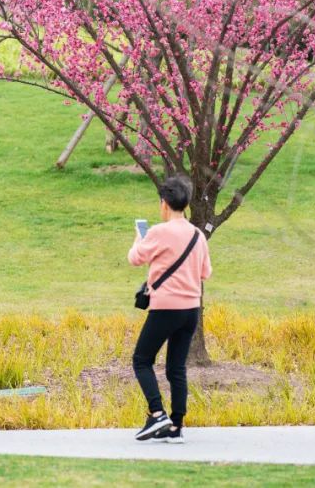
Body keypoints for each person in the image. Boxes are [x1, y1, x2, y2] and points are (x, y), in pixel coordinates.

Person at [128, 175, 211, 443]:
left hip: (165, 307)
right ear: (185, 205)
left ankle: (157, 413)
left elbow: (135, 258)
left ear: (164, 203)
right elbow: (205, 273)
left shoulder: (158, 232)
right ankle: (176, 427)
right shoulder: (198, 235)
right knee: (176, 368)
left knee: (141, 360)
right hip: (191, 310)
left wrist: (137, 239)